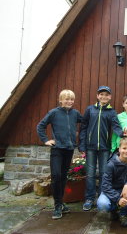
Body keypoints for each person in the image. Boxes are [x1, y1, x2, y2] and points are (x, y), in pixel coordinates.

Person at [79, 86, 127, 211]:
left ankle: (102, 196)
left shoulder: (111, 112)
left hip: (105, 148)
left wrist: (122, 134)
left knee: (104, 173)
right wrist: (82, 145)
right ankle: (89, 198)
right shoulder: (90, 109)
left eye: (106, 95)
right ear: (97, 96)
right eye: (101, 94)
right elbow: (83, 127)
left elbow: (116, 126)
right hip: (90, 147)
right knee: (90, 174)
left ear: (110, 97)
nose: (104, 97)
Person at [37, 89, 82, 219]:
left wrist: (77, 136)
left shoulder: (75, 113)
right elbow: (40, 126)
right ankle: (57, 205)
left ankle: (61, 203)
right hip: (57, 149)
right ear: (61, 100)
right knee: (56, 176)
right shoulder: (54, 113)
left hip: (69, 149)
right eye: (66, 99)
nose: (69, 101)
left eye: (71, 99)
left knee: (63, 177)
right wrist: (46, 140)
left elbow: (84, 122)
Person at [97, 137, 127, 227]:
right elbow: (105, 185)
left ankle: (123, 213)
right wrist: (118, 199)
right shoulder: (111, 164)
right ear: (119, 149)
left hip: (125, 191)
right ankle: (114, 210)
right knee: (102, 204)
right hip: (111, 191)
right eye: (124, 148)